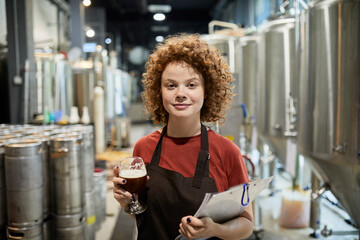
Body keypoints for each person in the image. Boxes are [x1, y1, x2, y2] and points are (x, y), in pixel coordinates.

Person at [113, 33, 253, 239]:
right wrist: (128, 205)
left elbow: (247, 224)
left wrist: (215, 229)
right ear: (159, 91)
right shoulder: (143, 148)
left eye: (191, 85)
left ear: (207, 91)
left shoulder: (227, 151)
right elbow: (144, 216)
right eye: (171, 85)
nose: (180, 93)